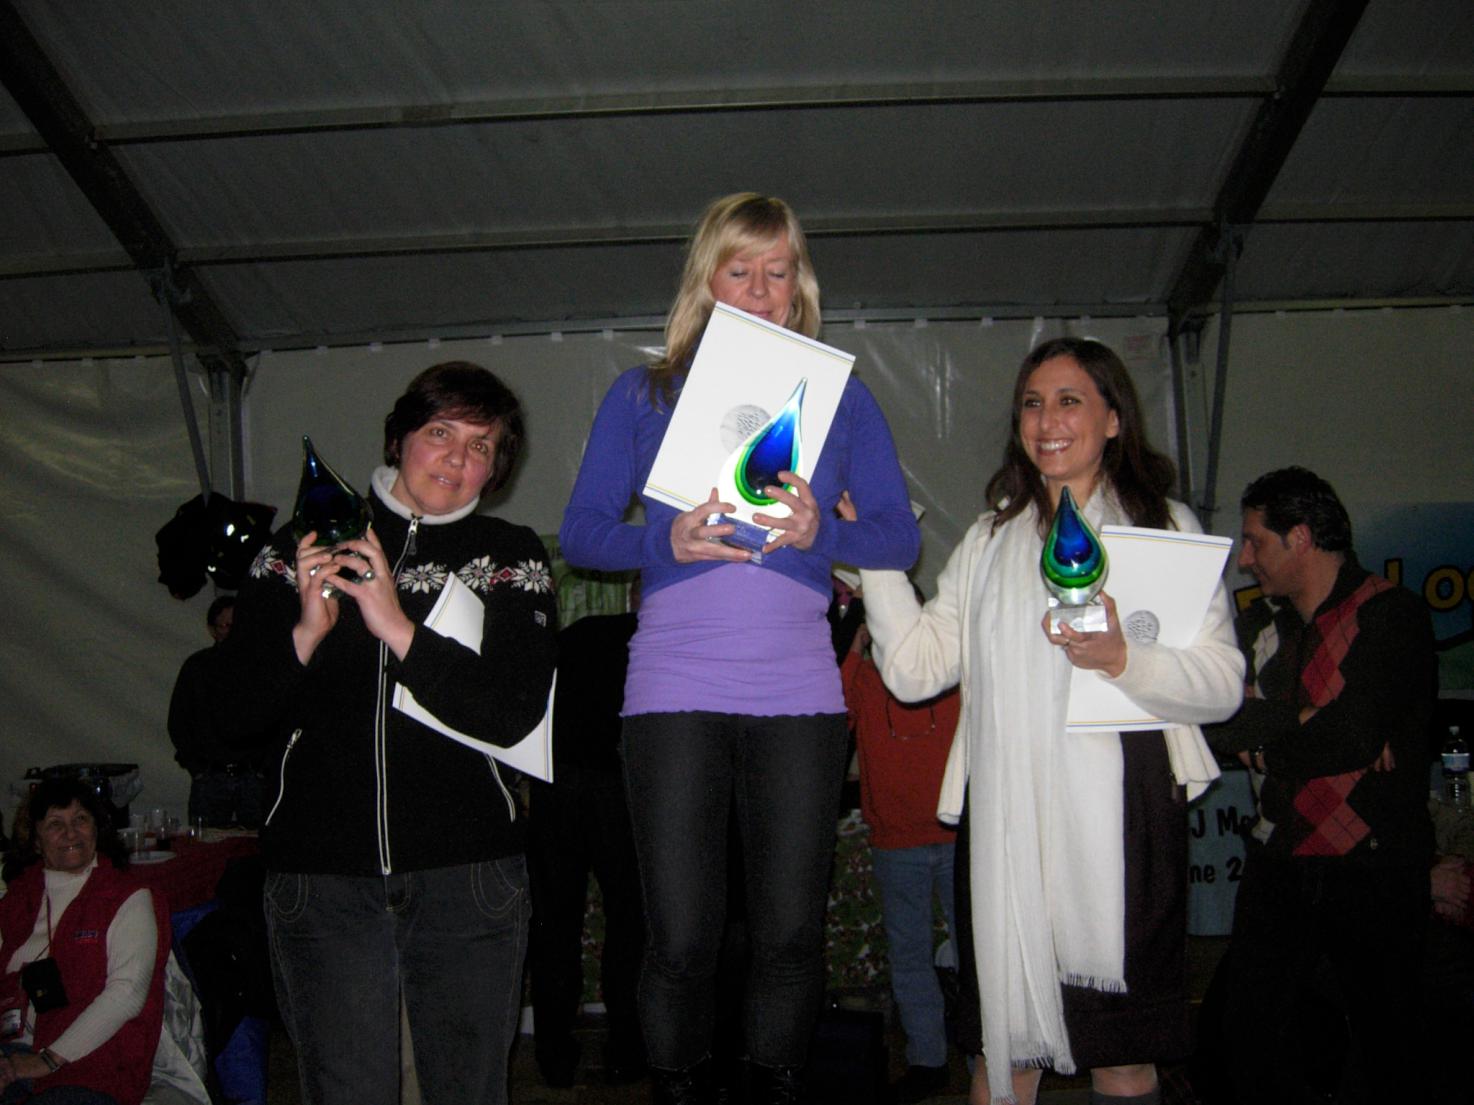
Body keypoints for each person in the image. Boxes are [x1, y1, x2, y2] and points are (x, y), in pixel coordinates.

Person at [559, 192, 920, 1104]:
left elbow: (900, 536)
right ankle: (678, 1087)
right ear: (707, 281)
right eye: (740, 269)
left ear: (800, 284)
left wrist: (822, 532)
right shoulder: (643, 393)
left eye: (778, 270)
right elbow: (582, 531)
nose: (761, 289)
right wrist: (664, 541)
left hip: (798, 689)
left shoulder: (843, 396)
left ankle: (778, 1084)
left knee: (790, 933)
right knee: (680, 936)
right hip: (673, 684)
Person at [859, 337, 1242, 1105]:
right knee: (1003, 1057)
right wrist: (873, 554)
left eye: (1070, 400)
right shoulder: (990, 538)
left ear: (1113, 419)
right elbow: (914, 667)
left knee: (1123, 1057)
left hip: (1125, 817)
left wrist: (1123, 658)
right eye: (1032, 404)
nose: (1047, 420)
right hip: (1006, 819)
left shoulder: (1161, 526)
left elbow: (1223, 682)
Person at [200, 362, 557, 1105]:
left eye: (482, 446)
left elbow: (511, 713)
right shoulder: (298, 546)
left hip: (468, 876)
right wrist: (306, 633)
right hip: (323, 879)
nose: (458, 458)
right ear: (398, 439)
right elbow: (229, 716)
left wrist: (397, 627)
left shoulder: (511, 555)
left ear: (497, 468)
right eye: (440, 433)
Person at [1203, 466, 1434, 1103]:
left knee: (1389, 1048)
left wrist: (1262, 741)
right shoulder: (1257, 626)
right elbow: (1212, 719)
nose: (1245, 559)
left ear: (1300, 537)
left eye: (1256, 541)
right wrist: (1306, 723)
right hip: (1279, 860)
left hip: (1374, 866)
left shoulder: (1391, 614)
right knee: (1243, 1042)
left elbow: (1352, 735)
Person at [839, 595, 960, 1103]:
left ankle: (987, 1053)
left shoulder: (951, 675)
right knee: (910, 959)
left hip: (956, 837)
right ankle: (928, 1061)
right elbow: (833, 711)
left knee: (976, 954)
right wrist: (855, 646)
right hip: (896, 843)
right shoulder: (866, 681)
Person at [527, 603, 646, 1087]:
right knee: (631, 924)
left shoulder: (582, 633)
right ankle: (628, 1050)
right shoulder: (660, 642)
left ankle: (554, 1058)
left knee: (554, 926)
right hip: (619, 788)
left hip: (556, 782)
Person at [0, 778, 169, 1105]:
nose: (70, 833)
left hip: (91, 1063)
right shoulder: (19, 897)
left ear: (97, 830)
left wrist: (47, 1060)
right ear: (35, 840)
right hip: (14, 1049)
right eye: (55, 824)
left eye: (80, 819)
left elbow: (127, 994)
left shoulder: (127, 897)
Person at [168, 595, 268, 827]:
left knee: (258, 841)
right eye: (226, 625)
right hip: (211, 776)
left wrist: (264, 767)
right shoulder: (197, 667)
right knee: (207, 842)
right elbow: (178, 721)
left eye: (238, 625)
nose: (233, 632)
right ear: (212, 630)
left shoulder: (261, 667)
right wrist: (197, 769)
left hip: (252, 776)